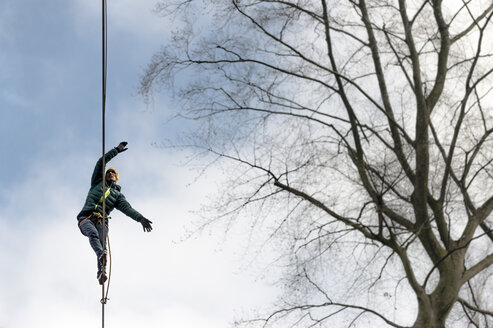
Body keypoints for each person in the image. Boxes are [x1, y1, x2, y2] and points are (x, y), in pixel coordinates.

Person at [77, 141, 153, 284]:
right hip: (86, 217)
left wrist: (140, 218)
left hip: (102, 221)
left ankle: (101, 273)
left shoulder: (117, 195)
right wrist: (116, 150)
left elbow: (127, 208)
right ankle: (101, 255)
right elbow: (101, 162)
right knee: (93, 235)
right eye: (109, 172)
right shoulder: (97, 182)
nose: (110, 173)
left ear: (116, 178)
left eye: (113, 173)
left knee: (103, 244)